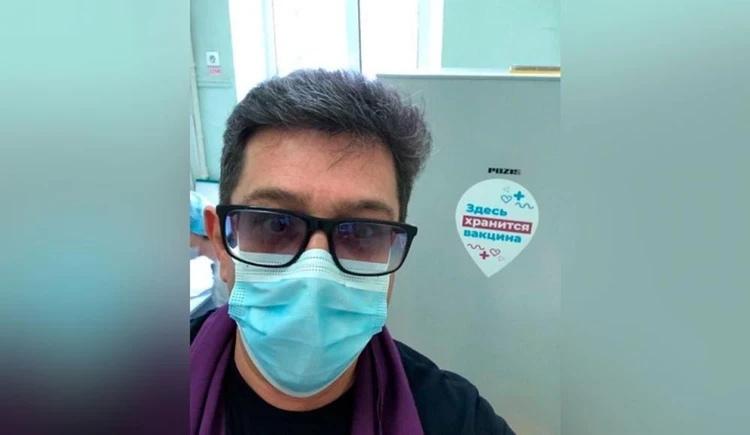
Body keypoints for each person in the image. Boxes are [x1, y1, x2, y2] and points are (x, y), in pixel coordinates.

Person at [190, 69, 515, 435]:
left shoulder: (460, 421)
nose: (316, 274)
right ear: (221, 242)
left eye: (361, 231)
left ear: (393, 253)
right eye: (276, 224)